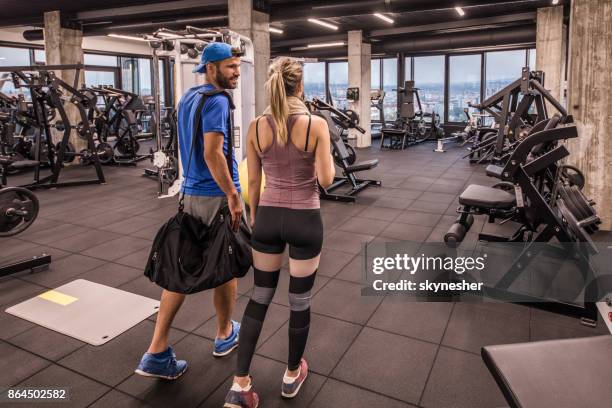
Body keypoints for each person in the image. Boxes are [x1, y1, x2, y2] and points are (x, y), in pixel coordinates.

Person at [224, 57, 335, 407]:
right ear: (299, 87)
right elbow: (327, 180)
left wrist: (255, 217)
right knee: (299, 300)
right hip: (305, 220)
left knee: (259, 295)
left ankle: (240, 384)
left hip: (268, 218)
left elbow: (252, 181)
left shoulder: (257, 126)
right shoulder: (315, 124)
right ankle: (290, 375)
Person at [136, 42, 244, 380]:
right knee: (225, 265)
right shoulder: (217, 101)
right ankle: (225, 333)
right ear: (211, 68)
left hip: (191, 192)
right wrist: (233, 195)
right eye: (230, 67)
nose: (237, 73)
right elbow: (213, 154)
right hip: (214, 195)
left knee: (183, 268)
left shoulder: (188, 97)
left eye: (237, 66)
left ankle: (156, 351)